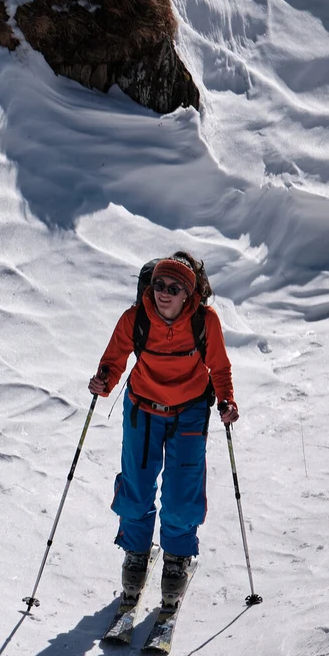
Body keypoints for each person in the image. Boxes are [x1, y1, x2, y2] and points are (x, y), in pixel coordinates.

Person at [86, 253, 237, 628]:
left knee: (181, 493)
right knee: (136, 486)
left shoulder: (205, 322)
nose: (163, 294)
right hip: (143, 409)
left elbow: (219, 366)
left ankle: (177, 558)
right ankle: (136, 553)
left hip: (188, 412)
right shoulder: (135, 318)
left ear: (188, 295)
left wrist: (227, 399)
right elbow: (113, 360)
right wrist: (103, 382)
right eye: (158, 285)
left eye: (173, 288)